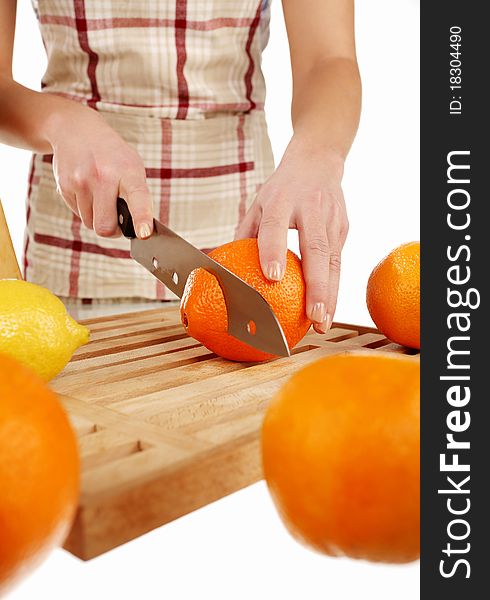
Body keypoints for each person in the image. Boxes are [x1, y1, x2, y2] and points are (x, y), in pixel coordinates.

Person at [0, 0, 361, 334]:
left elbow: (328, 59)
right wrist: (60, 122)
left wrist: (317, 155)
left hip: (244, 257)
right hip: (74, 255)